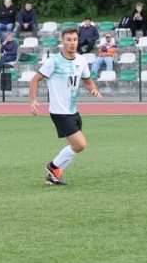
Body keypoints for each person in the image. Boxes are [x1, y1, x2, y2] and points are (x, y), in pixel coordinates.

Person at [30, 27, 103, 186]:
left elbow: (88, 81)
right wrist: (33, 100)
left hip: (73, 111)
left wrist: (94, 90)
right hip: (59, 112)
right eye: (68, 40)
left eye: (74, 40)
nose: (72, 43)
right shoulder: (54, 61)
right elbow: (35, 79)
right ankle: (53, 166)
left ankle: (53, 176)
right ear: (62, 41)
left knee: (72, 147)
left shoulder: (81, 60)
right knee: (80, 144)